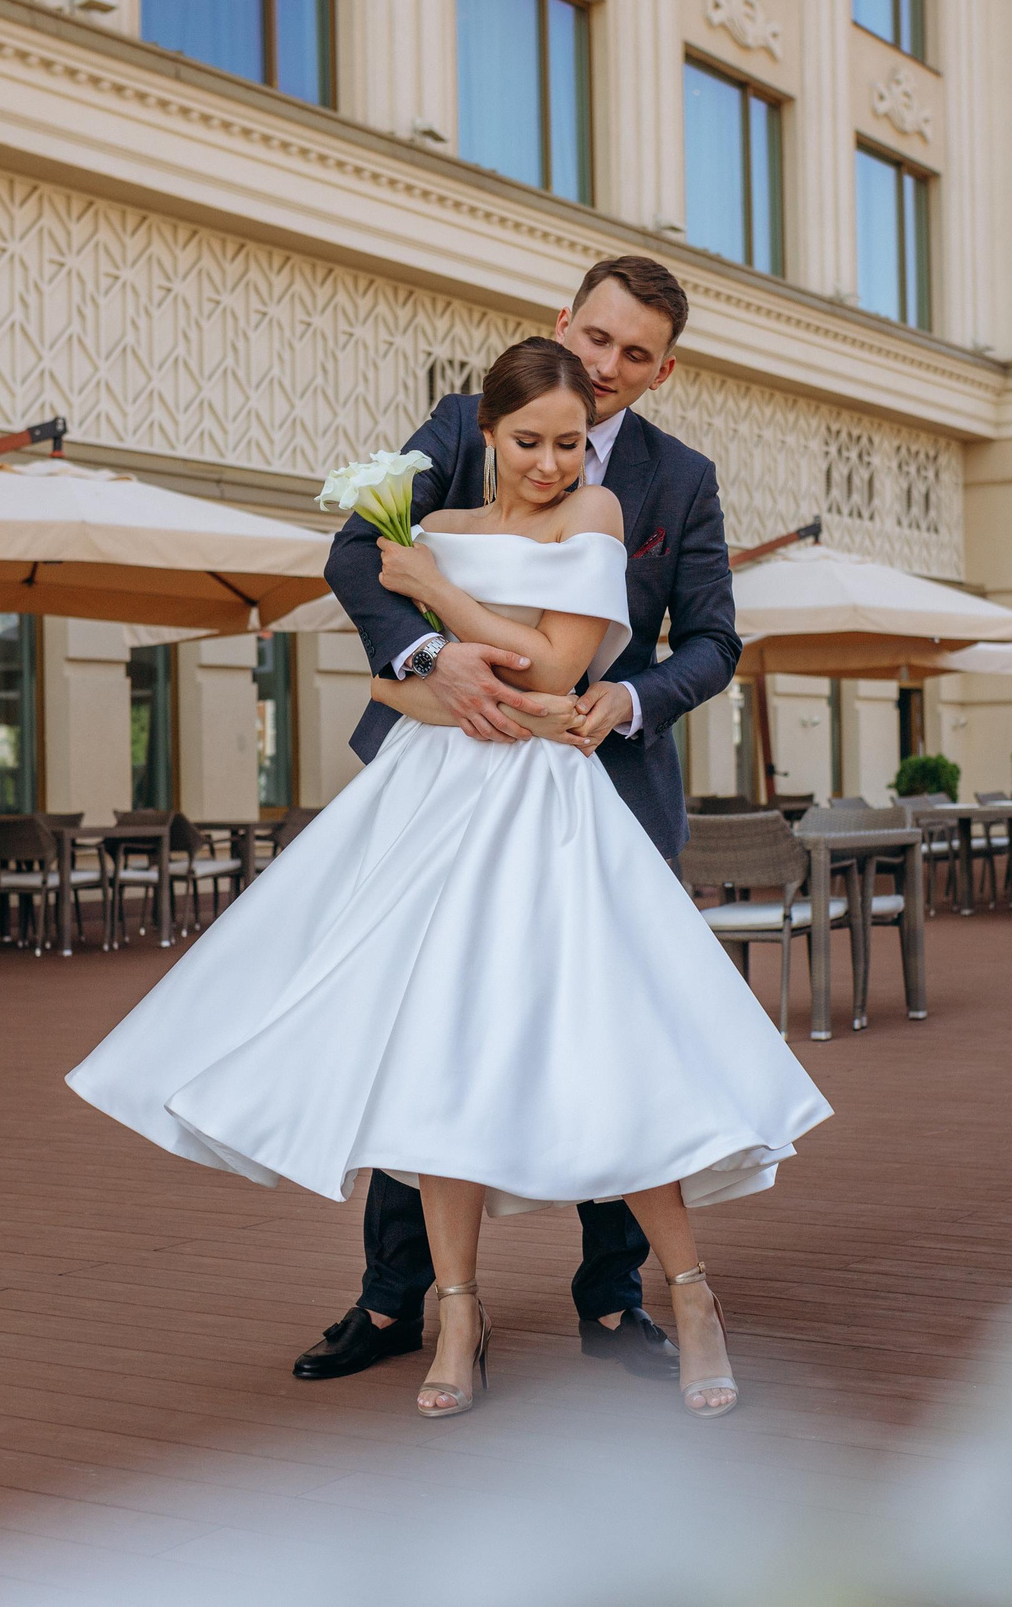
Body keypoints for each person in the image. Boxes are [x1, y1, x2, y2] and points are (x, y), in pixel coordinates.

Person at [68, 337, 826, 1418]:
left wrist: (440, 604)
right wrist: (440, 669)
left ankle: (684, 1297)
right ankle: (453, 1314)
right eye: (530, 441)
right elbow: (409, 684)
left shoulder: (591, 518)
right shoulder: (436, 523)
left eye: (571, 443)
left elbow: (558, 670)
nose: (554, 462)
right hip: (431, 808)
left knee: (608, 1049)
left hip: (547, 818)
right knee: (433, 1058)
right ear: (485, 432)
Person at [304, 255, 747, 1388]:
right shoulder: (468, 422)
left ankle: (613, 1302)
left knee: (607, 1042)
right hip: (442, 782)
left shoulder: (675, 478)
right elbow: (362, 555)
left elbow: (710, 638)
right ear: (566, 322)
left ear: (662, 369)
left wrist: (634, 696)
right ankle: (399, 1302)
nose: (605, 367)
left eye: (633, 353)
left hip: (598, 785)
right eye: (594, 337)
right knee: (426, 1030)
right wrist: (428, 660)